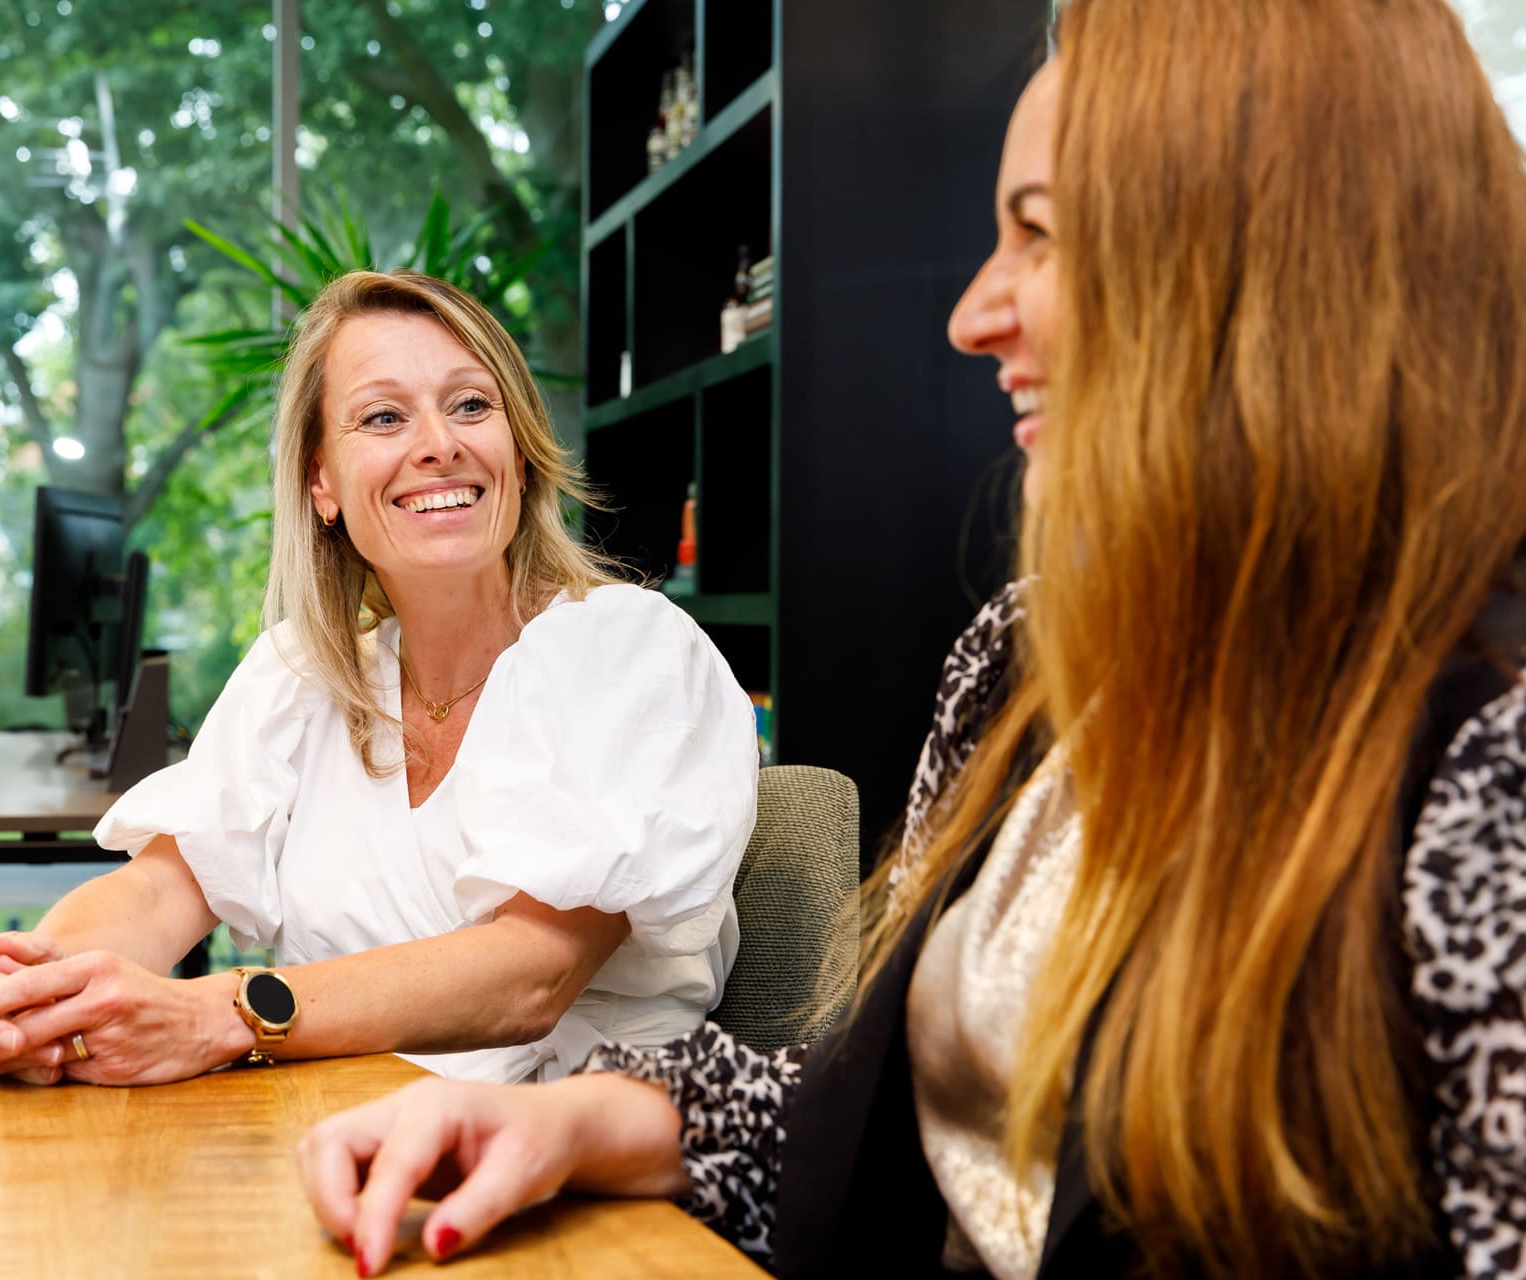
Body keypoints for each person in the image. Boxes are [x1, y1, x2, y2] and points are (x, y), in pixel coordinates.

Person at [293, 2, 1526, 1276]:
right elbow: (880, 1141)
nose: (972, 313)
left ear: (1264, 267)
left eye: (1038, 235)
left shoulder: (1490, 749)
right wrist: (568, 1119)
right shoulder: (1023, 659)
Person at [0, 270, 757, 1088]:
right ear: (321, 481)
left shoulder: (627, 650)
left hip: (559, 1148)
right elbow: (160, 889)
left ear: (518, 450)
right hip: (323, 1130)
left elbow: (532, 975)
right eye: (384, 417)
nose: (439, 443)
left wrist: (222, 1015)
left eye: (472, 405)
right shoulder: (305, 673)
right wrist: (35, 983)